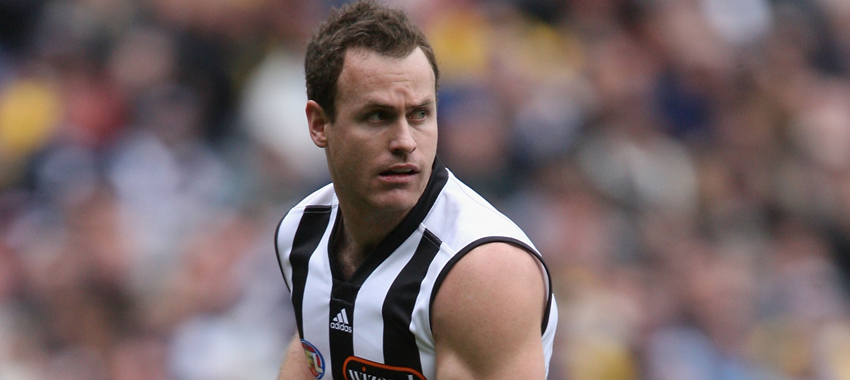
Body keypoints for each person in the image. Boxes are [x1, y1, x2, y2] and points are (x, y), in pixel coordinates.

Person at [274, 1, 558, 379]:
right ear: (319, 124)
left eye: (420, 114)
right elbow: (316, 353)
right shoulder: (301, 232)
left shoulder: (480, 270)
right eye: (378, 116)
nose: (405, 141)